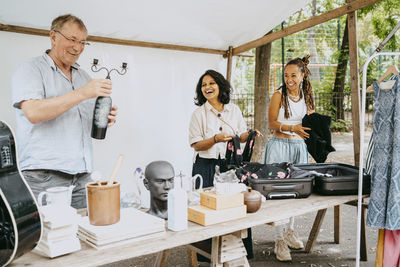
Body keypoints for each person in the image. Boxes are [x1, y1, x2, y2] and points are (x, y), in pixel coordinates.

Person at [11, 14, 117, 209]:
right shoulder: (31, 69)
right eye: (72, 40)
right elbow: (33, 112)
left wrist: (105, 116)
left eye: (83, 42)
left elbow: (78, 118)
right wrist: (82, 93)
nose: (77, 47)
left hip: (82, 174)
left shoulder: (83, 76)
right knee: (49, 236)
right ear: (53, 36)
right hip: (44, 175)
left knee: (84, 234)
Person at [264, 55, 314, 261]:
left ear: (302, 75)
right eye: (286, 75)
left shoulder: (307, 95)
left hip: (298, 147)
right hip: (279, 145)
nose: (289, 79)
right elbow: (271, 123)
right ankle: (279, 240)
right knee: (277, 192)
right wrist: (291, 127)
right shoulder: (279, 95)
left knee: (296, 190)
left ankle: (290, 231)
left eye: (293, 75)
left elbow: (311, 119)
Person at [189, 69, 261, 188]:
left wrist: (250, 134)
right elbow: (196, 145)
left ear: (220, 85)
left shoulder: (234, 110)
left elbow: (241, 137)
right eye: (204, 85)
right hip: (205, 165)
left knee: (229, 199)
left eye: (212, 83)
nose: (207, 87)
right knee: (205, 200)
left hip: (230, 164)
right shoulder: (198, 114)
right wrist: (215, 139)